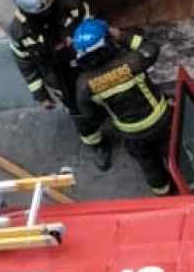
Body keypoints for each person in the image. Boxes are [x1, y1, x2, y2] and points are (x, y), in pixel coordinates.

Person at [7, 0, 112, 171]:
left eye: (50, 6)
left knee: (111, 93)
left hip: (88, 62)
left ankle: (123, 124)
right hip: (60, 76)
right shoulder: (20, 31)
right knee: (79, 113)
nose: (49, 13)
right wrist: (41, 95)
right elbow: (25, 64)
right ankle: (97, 145)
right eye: (42, 12)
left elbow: (95, 26)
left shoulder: (70, 3)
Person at [72, 19, 174, 196]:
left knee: (148, 163)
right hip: (159, 120)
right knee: (174, 150)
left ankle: (163, 191)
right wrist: (122, 35)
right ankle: (192, 180)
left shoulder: (84, 84)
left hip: (131, 132)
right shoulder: (133, 61)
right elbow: (151, 47)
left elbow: (90, 114)